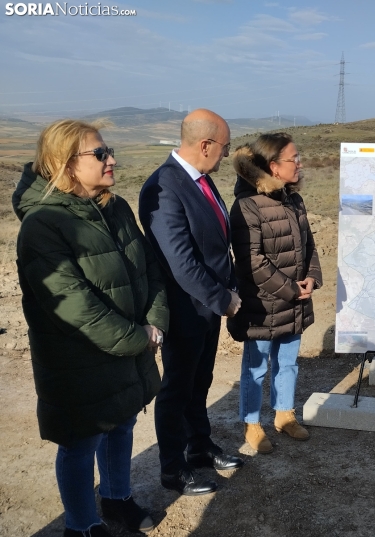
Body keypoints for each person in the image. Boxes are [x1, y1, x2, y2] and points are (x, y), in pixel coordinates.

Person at [13, 119, 168, 537]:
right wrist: (139, 339)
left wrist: (155, 321)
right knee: (81, 443)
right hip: (78, 358)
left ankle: (117, 498)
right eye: (99, 154)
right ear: (65, 164)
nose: (111, 159)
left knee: (122, 424)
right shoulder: (42, 225)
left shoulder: (114, 207)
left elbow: (149, 269)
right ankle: (81, 525)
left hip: (130, 347)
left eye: (109, 150)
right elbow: (76, 308)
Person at [139, 109, 243, 496]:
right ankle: (172, 469)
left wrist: (229, 290)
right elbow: (180, 260)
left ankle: (199, 447)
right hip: (184, 308)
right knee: (177, 389)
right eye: (225, 147)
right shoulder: (164, 186)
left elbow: (216, 245)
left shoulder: (201, 181)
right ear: (205, 145)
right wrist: (223, 299)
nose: (226, 154)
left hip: (209, 307)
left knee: (200, 382)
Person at [229, 133, 322, 454]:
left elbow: (308, 245)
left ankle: (284, 415)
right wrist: (289, 289)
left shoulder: (293, 200)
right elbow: (251, 261)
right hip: (261, 305)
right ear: (273, 166)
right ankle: (252, 424)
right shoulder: (247, 206)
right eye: (293, 159)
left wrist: (311, 278)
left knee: (288, 362)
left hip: (294, 300)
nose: (299, 163)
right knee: (255, 367)